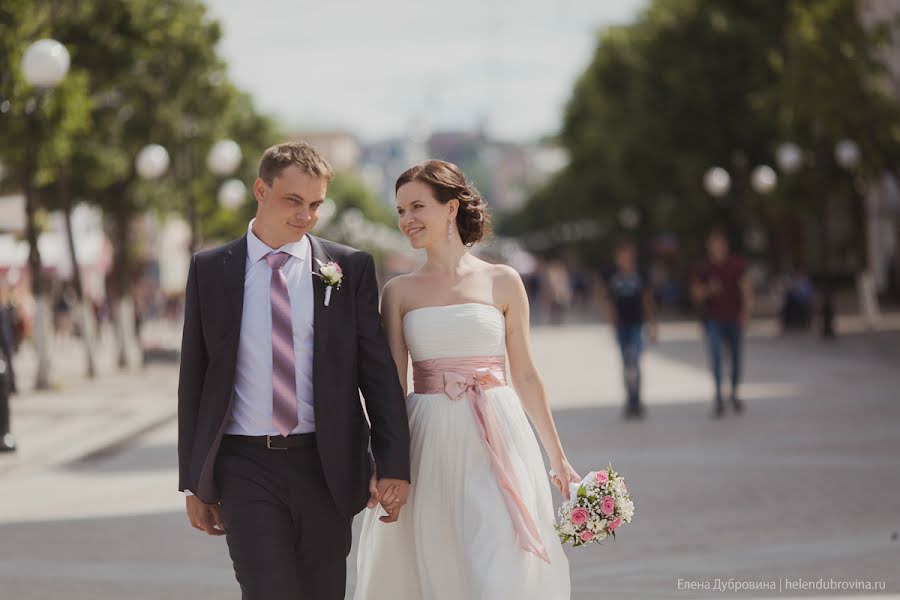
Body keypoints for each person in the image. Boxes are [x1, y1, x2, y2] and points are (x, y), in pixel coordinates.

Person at [177, 142, 411, 600]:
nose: (306, 215)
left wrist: (393, 462)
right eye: (293, 201)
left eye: (315, 204)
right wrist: (194, 482)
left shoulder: (349, 269)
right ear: (260, 190)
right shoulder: (211, 270)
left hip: (326, 464)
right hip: (244, 465)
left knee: (324, 590)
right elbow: (195, 380)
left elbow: (377, 374)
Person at [355, 160, 577, 600]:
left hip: (498, 434)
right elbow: (391, 389)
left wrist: (558, 457)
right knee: (442, 561)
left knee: (499, 561)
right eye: (400, 211)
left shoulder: (503, 280)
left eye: (417, 206)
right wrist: (386, 463)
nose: (407, 220)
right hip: (429, 440)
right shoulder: (398, 292)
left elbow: (527, 374)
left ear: (451, 208)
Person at [691, 228, 752, 418]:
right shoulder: (703, 268)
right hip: (713, 320)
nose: (716, 247)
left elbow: (746, 290)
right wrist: (709, 289)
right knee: (716, 359)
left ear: (725, 245)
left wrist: (745, 315)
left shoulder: (736, 265)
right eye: (713, 244)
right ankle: (718, 397)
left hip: (733, 319)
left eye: (719, 243)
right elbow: (696, 294)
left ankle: (733, 393)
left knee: (735, 360)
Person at [598, 239, 657, 420]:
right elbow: (601, 294)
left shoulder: (640, 274)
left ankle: (637, 399)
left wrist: (652, 323)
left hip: (637, 323)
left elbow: (647, 299)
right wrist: (608, 314)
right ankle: (629, 400)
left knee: (636, 361)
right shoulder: (611, 274)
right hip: (621, 324)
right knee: (625, 363)